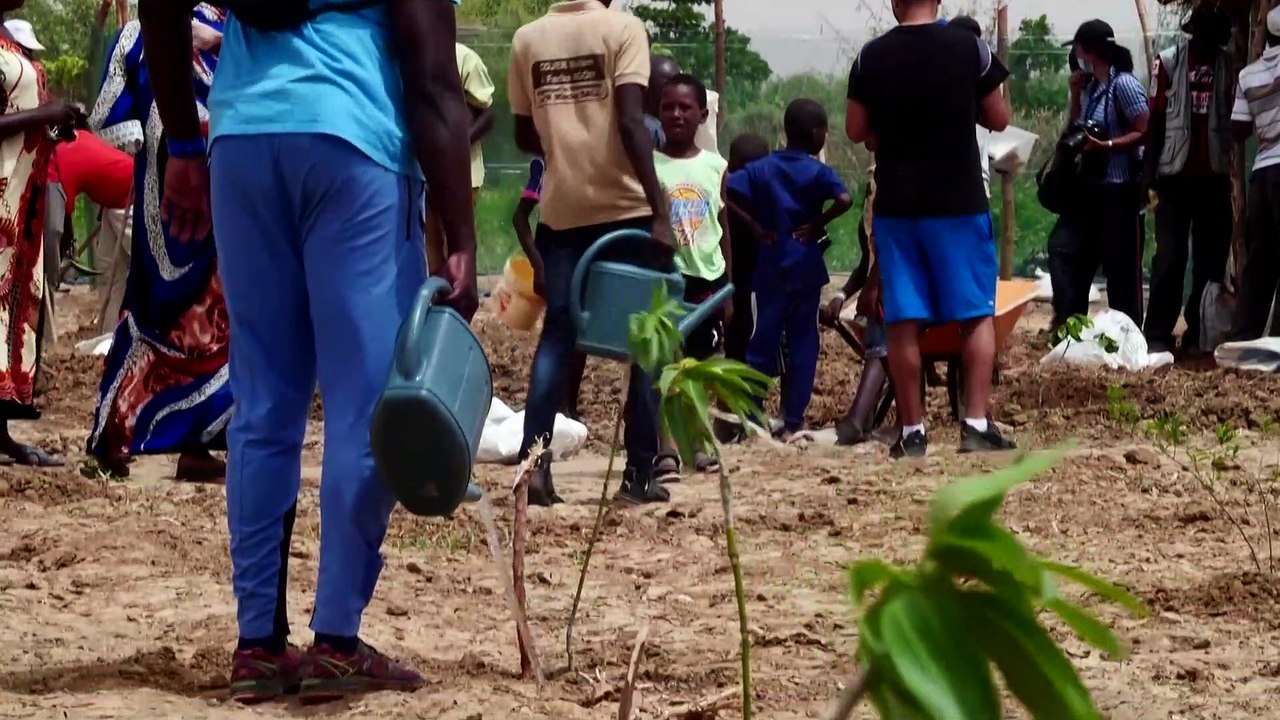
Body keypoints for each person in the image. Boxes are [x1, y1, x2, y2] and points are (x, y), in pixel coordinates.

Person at [139, 0, 478, 703]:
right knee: (363, 405)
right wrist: (463, 235)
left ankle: (258, 646)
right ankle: (336, 643)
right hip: (352, 140)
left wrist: (179, 142)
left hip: (242, 141)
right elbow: (434, 80)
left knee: (262, 402)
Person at [509, 0, 674, 507]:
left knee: (559, 336)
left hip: (562, 212)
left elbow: (520, 134)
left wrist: (567, 144)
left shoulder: (527, 39)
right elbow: (631, 123)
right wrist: (660, 210)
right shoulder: (623, 30)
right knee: (646, 343)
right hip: (626, 210)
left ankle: (535, 469)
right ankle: (640, 474)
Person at [846, 0, 1014, 458]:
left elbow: (856, 128)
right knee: (976, 313)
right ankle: (976, 425)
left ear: (895, 3)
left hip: (899, 206)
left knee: (902, 319)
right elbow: (998, 118)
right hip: (959, 201)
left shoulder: (871, 56)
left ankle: (913, 432)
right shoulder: (969, 48)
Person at [86, 7, 228, 482]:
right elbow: (110, 114)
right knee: (157, 311)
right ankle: (114, 432)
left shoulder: (242, 26)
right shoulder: (143, 30)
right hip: (170, 189)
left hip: (229, 189)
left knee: (219, 321)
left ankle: (198, 443)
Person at [728, 99, 853, 438]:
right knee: (803, 343)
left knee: (761, 341)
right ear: (816, 134)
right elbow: (845, 200)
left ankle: (753, 416)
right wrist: (817, 224)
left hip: (769, 264)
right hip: (805, 265)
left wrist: (754, 227)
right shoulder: (817, 171)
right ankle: (793, 420)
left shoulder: (763, 168)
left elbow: (728, 190)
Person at [0, 7, 79, 467]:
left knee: (10, 310)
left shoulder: (9, 39)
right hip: (3, 196)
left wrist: (53, 124)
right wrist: (41, 114)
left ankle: (3, 430)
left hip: (21, 197)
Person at [1143, 7, 1234, 355]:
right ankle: (1158, 333)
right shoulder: (1167, 63)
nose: (1216, 41)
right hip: (1172, 177)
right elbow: (1155, 122)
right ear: (1195, 32)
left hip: (1214, 177)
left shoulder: (1228, 68)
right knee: (1170, 256)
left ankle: (1198, 333)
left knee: (1211, 260)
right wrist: (1148, 179)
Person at [654, 73, 730, 473]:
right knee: (665, 364)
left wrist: (729, 287)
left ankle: (698, 445)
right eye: (669, 107)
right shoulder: (649, 166)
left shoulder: (717, 167)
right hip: (667, 279)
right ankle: (665, 448)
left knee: (700, 367)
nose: (677, 114)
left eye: (685, 107)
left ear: (702, 114)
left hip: (708, 282)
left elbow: (724, 225)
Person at [1066, 19, 1151, 328]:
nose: (1075, 57)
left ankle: (1128, 330)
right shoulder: (1091, 88)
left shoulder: (1123, 85)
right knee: (1082, 260)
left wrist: (1107, 145)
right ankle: (1076, 326)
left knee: (1122, 268)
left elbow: (1145, 129)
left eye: (1077, 49)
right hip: (1093, 189)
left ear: (1090, 51)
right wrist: (1075, 94)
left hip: (1121, 188)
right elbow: (1075, 128)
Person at [511, 154, 588, 421]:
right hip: (555, 254)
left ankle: (568, 406)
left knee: (580, 333)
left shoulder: (597, 162)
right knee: (559, 329)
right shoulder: (544, 164)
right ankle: (550, 407)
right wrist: (538, 265)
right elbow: (520, 218)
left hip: (586, 253)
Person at [823, 164, 888, 446]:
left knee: (882, 340)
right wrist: (841, 295)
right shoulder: (871, 199)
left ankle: (857, 420)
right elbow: (868, 259)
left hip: (903, 279)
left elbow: (892, 244)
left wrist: (874, 286)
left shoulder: (895, 175)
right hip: (886, 280)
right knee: (881, 335)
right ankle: (864, 420)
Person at [45, 124, 133, 326]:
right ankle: (109, 335)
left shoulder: (58, 162)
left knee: (143, 268)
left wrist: (53, 265)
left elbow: (59, 226)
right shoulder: (76, 137)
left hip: (132, 197)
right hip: (114, 203)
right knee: (109, 274)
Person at [1230, 7, 1280, 341]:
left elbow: (1238, 129)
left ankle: (1245, 337)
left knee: (1262, 261)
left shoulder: (1248, 75)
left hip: (1262, 175)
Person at [426, 41, 494, 275]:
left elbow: (488, 114)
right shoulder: (407, 52)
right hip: (422, 171)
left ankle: (456, 307)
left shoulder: (464, 58)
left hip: (462, 174)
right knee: (430, 250)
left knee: (457, 250)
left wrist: (455, 149)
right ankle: (436, 305)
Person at [722, 132, 769, 363]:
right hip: (755, 284)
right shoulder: (766, 196)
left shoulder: (725, 195)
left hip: (732, 281)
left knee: (736, 341)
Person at [949, 14, 993, 198]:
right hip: (976, 181)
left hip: (954, 181)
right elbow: (1000, 119)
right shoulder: (985, 68)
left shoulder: (949, 74)